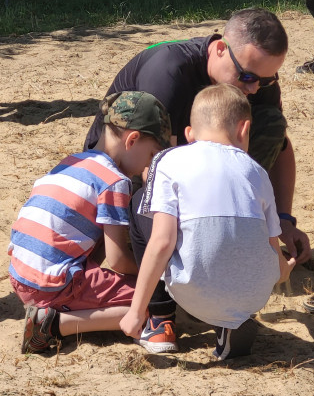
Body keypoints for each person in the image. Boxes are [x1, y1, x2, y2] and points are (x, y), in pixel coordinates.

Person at [81, 7, 312, 352]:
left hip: (191, 172)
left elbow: (280, 146)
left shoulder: (256, 81)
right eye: (248, 76)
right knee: (146, 207)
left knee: (272, 124)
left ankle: (219, 257)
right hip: (130, 171)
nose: (254, 88)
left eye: (266, 81)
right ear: (219, 48)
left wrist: (283, 219)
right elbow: (151, 168)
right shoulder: (169, 72)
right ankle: (160, 313)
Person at [120, 85, 296, 360]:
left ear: (189, 134)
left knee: (140, 201)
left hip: (191, 289)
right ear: (244, 130)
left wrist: (135, 311)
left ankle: (159, 319)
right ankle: (231, 320)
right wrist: (284, 271)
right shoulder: (257, 171)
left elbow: (162, 241)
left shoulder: (170, 158)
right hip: (254, 295)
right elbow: (272, 245)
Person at [9, 91, 171, 354]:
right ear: (132, 140)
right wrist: (152, 272)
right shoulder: (115, 181)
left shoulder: (73, 161)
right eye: (152, 155)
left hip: (21, 275)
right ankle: (52, 324)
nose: (148, 167)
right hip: (52, 284)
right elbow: (118, 260)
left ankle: (53, 307)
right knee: (154, 298)